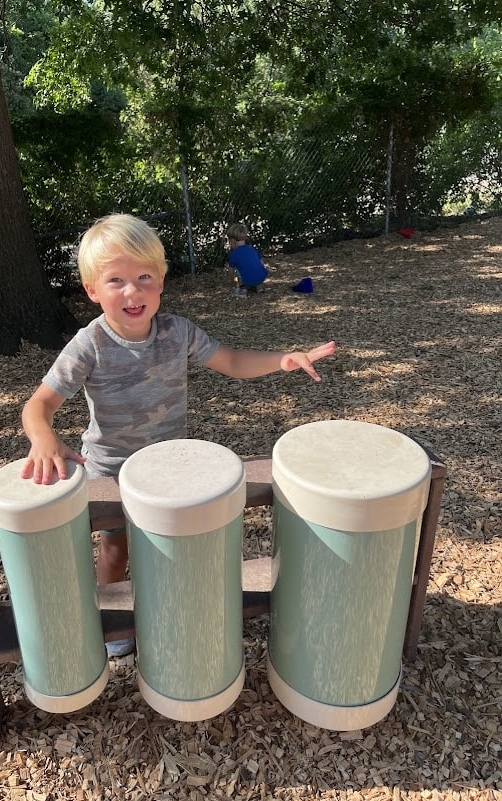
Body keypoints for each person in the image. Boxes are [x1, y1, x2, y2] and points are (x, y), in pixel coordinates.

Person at [21, 213, 336, 656]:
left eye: (144, 277)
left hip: (171, 465)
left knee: (173, 542)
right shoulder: (89, 344)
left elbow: (230, 360)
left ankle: (174, 608)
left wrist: (281, 359)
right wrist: (44, 439)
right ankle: (116, 624)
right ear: (92, 290)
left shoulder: (177, 332)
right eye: (116, 281)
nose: (133, 291)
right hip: (111, 468)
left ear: (162, 281)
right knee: (116, 547)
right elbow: (38, 405)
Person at [226, 222, 269, 298]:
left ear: (232, 241)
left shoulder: (234, 254)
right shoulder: (252, 249)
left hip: (246, 280)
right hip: (261, 277)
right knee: (253, 269)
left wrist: (231, 282)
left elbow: (231, 271)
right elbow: (261, 263)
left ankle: (243, 289)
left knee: (239, 270)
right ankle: (259, 286)